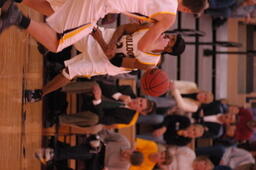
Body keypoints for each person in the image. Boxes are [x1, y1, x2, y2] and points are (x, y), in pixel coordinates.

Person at [24, 23, 185, 102]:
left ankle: (39, 94)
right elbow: (123, 28)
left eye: (172, 41)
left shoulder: (150, 62)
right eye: (172, 36)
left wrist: (101, 41)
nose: (170, 37)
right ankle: (51, 44)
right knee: (68, 29)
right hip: (108, 39)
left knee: (69, 71)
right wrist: (108, 43)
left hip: (104, 62)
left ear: (169, 51)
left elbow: (117, 61)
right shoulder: (152, 29)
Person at [0, 0, 207, 53]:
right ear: (187, 10)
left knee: (56, 9)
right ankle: (17, 18)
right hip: (99, 4)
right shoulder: (169, 18)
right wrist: (157, 41)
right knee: (57, 43)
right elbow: (142, 47)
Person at [53, 82, 156, 133]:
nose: (138, 102)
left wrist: (97, 101)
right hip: (92, 94)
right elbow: (104, 85)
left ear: (141, 112)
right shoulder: (128, 90)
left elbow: (104, 119)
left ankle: (57, 119)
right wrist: (119, 96)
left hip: (96, 111)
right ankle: (59, 87)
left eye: (140, 105)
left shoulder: (127, 118)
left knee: (94, 119)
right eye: (140, 100)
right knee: (95, 85)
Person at [35, 130, 144, 170]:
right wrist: (98, 139)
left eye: (127, 158)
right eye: (128, 154)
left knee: (88, 154)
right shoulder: (123, 141)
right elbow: (105, 133)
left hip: (98, 164)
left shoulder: (124, 167)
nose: (125, 156)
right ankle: (54, 154)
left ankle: (55, 152)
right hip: (98, 146)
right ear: (133, 149)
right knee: (89, 152)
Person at [138, 114, 205, 145]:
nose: (191, 132)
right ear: (192, 125)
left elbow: (168, 141)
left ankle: (136, 138)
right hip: (163, 124)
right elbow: (169, 117)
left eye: (194, 134)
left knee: (159, 137)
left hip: (164, 136)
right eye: (193, 129)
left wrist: (178, 133)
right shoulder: (186, 121)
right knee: (158, 118)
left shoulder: (185, 141)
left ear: (194, 137)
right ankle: (136, 120)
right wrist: (164, 127)